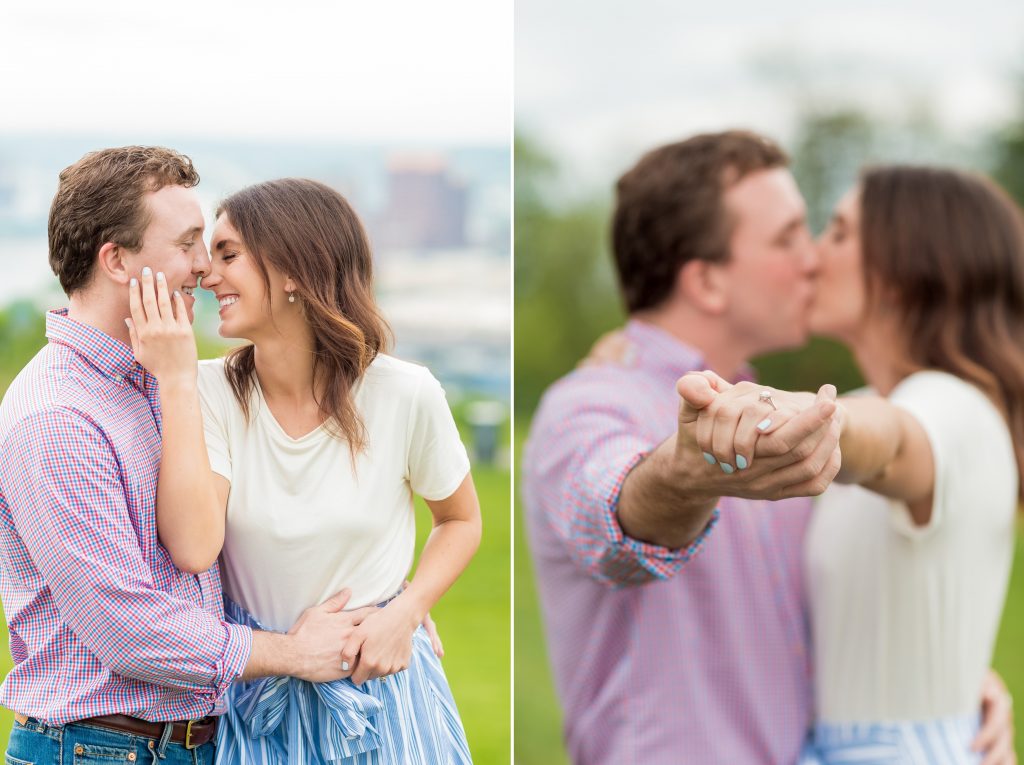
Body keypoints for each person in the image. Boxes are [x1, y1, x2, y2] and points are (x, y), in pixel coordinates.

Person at [521, 131, 1017, 764]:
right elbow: (613, 516)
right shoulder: (590, 407)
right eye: (789, 238)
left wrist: (946, 685)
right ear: (707, 283)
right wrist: (683, 474)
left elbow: (891, 475)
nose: (812, 258)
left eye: (826, 232)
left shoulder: (791, 417)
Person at [0, 147, 379, 765]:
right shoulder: (58, 417)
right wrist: (292, 652)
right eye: (187, 244)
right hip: (100, 750)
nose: (204, 269)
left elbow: (235, 537)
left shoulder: (165, 381)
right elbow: (127, 627)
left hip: (190, 745)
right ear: (117, 260)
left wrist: (381, 604)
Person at [125, 177, 481, 763]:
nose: (207, 276)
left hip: (383, 698)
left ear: (293, 269)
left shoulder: (405, 393)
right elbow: (193, 545)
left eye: (228, 254)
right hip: (255, 706)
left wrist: (409, 612)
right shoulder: (207, 391)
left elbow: (461, 520)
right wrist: (175, 377)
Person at [678, 165, 1024, 763]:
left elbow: (889, 442)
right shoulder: (885, 400)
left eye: (837, 233)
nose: (811, 256)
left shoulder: (954, 406)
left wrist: (810, 417)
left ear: (899, 273)